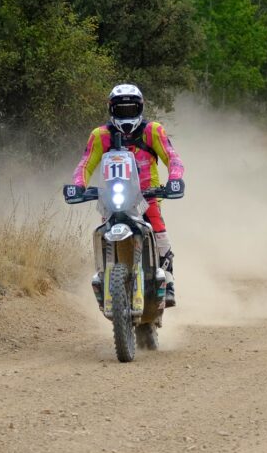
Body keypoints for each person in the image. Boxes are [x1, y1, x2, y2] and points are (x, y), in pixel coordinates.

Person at [72, 84, 185, 306]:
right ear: (112, 110)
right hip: (112, 197)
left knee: (158, 227)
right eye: (121, 110)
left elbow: (173, 158)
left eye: (131, 110)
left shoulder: (153, 130)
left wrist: (174, 180)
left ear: (140, 109)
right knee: (103, 230)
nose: (126, 115)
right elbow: (85, 165)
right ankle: (103, 275)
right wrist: (78, 185)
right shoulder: (100, 136)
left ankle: (168, 280)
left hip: (146, 196)